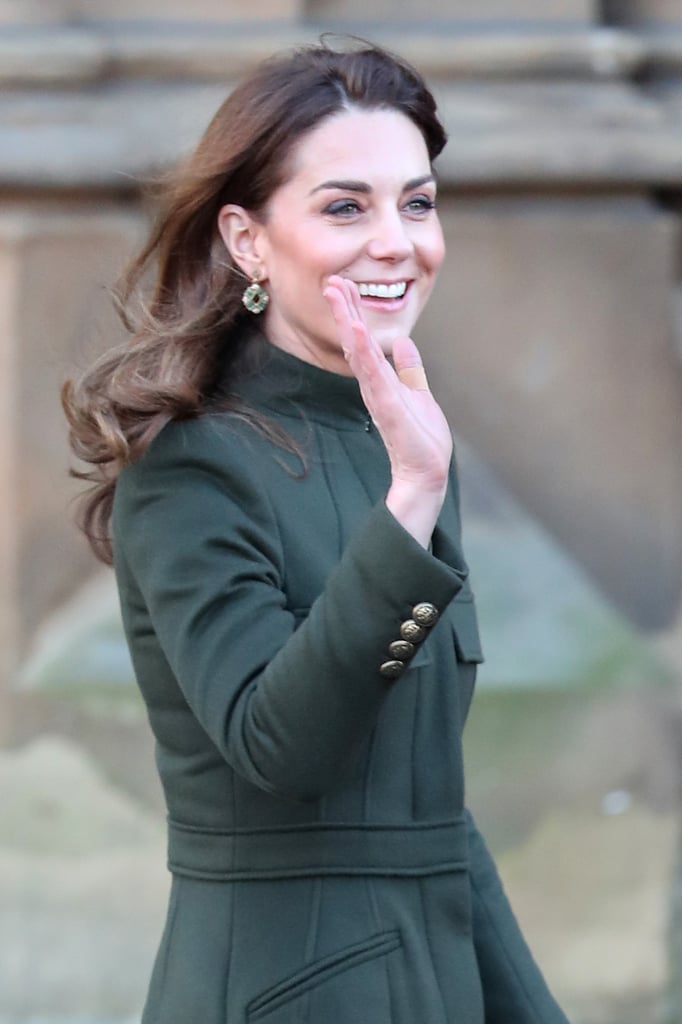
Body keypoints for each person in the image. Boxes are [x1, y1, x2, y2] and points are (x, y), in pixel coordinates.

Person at [63, 40, 570, 1024]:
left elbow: (431, 814)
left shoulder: (403, 441)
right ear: (248, 240)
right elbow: (276, 747)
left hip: (438, 983)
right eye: (346, 206)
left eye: (417, 202)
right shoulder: (190, 469)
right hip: (285, 989)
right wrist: (413, 494)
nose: (398, 241)